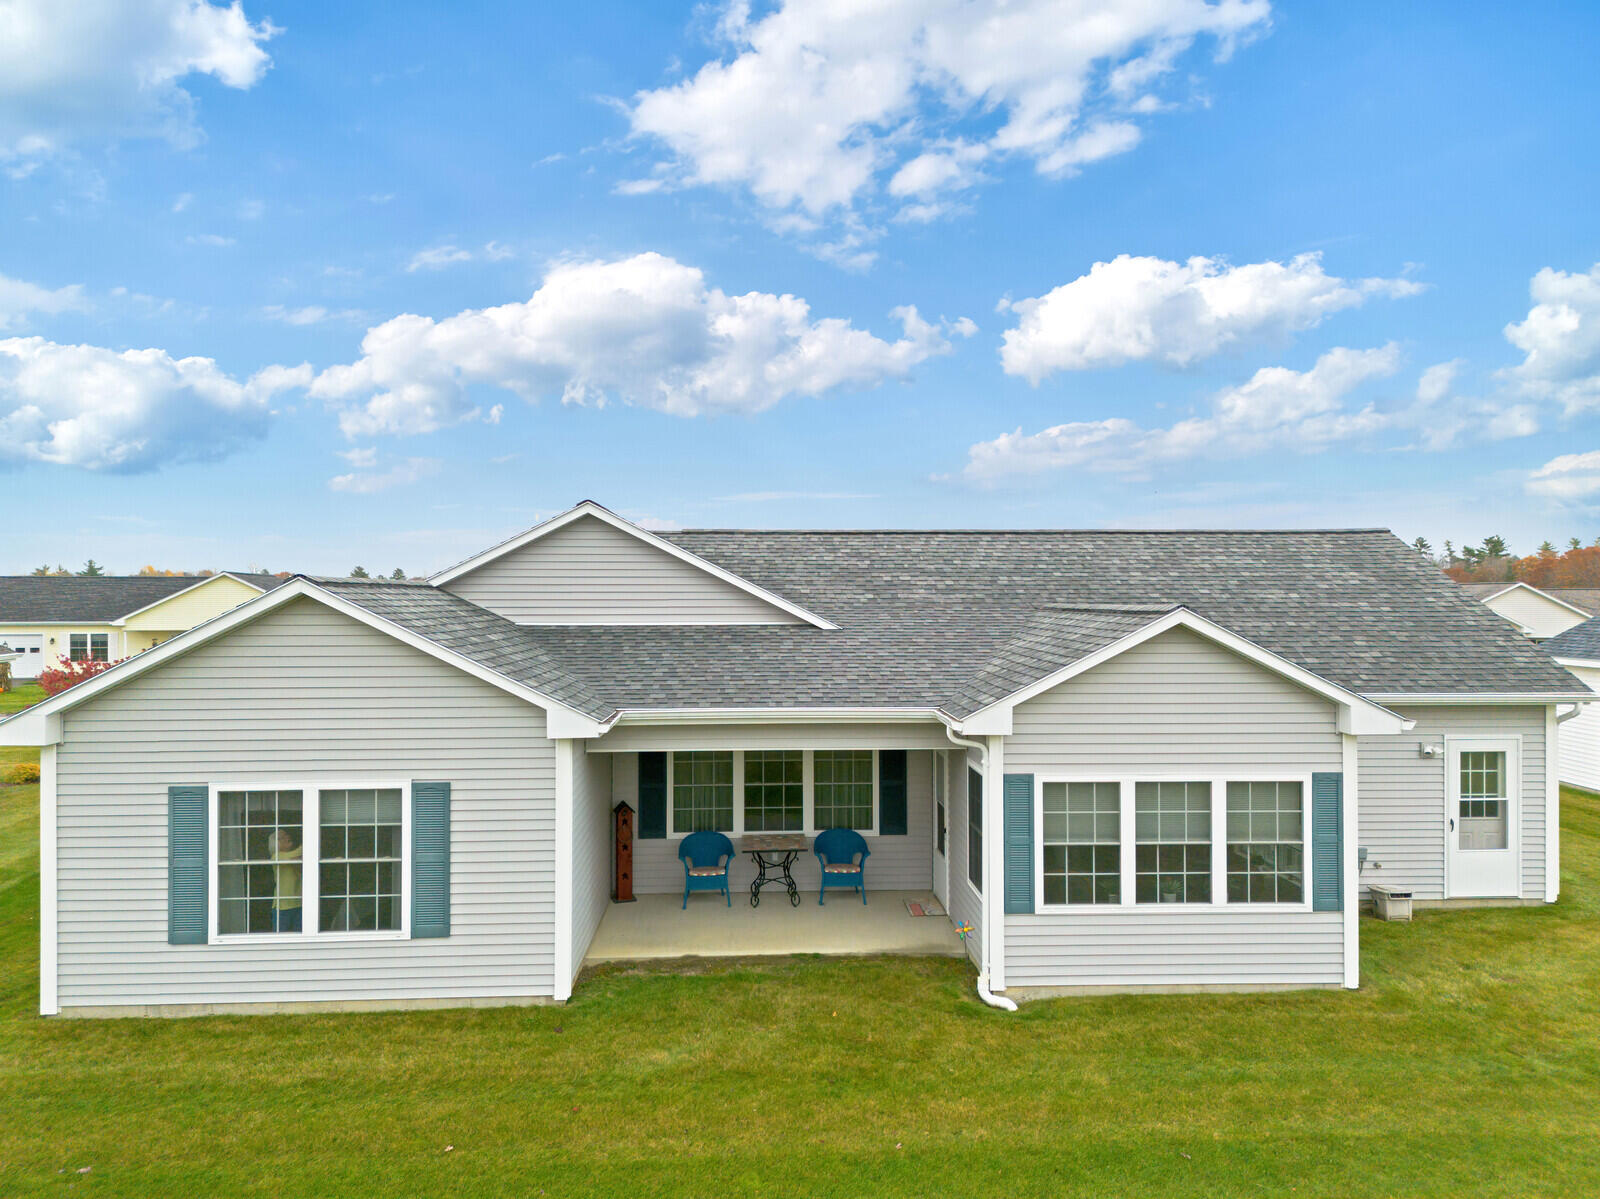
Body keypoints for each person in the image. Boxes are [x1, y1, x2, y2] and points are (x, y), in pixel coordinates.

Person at [272, 826, 303, 932]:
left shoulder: (297, 856)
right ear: (275, 844)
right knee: (280, 938)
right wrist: (310, 840)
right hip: (283, 906)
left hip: (300, 903)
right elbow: (292, 856)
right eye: (282, 837)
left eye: (286, 835)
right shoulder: (276, 856)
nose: (287, 837)